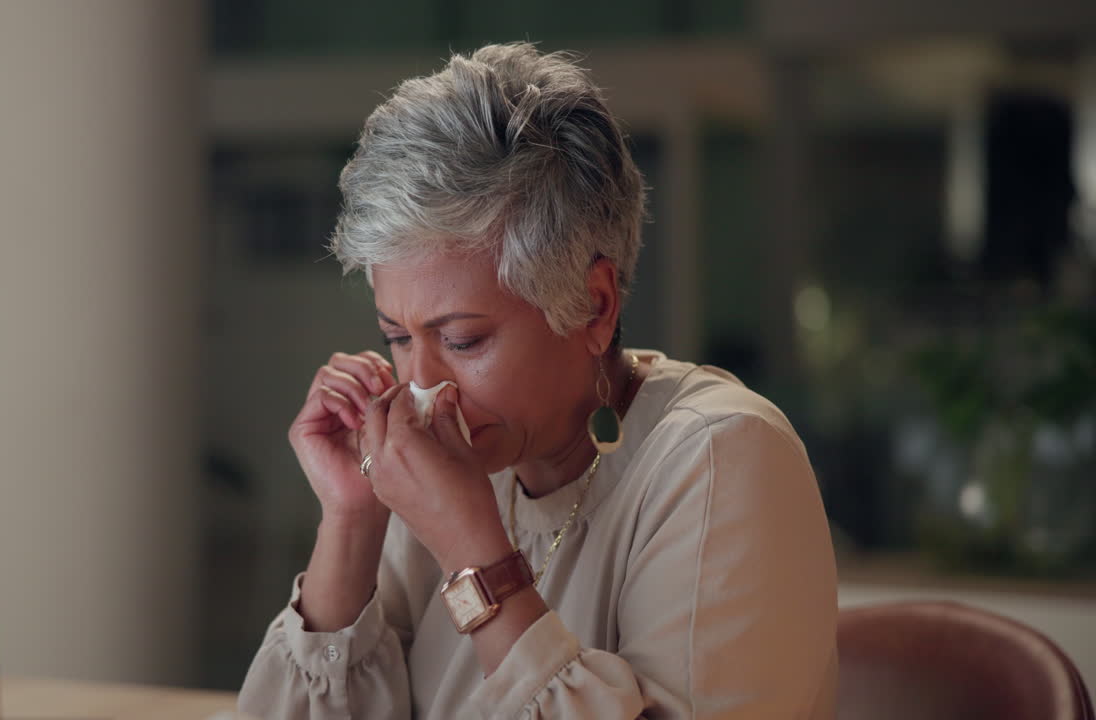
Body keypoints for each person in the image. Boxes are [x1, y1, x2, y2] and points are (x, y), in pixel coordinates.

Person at [238, 42, 838, 719]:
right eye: (397, 339)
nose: (421, 388)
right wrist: (352, 520)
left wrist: (472, 550)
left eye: (462, 340)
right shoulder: (450, 460)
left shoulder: (721, 456)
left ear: (594, 307)